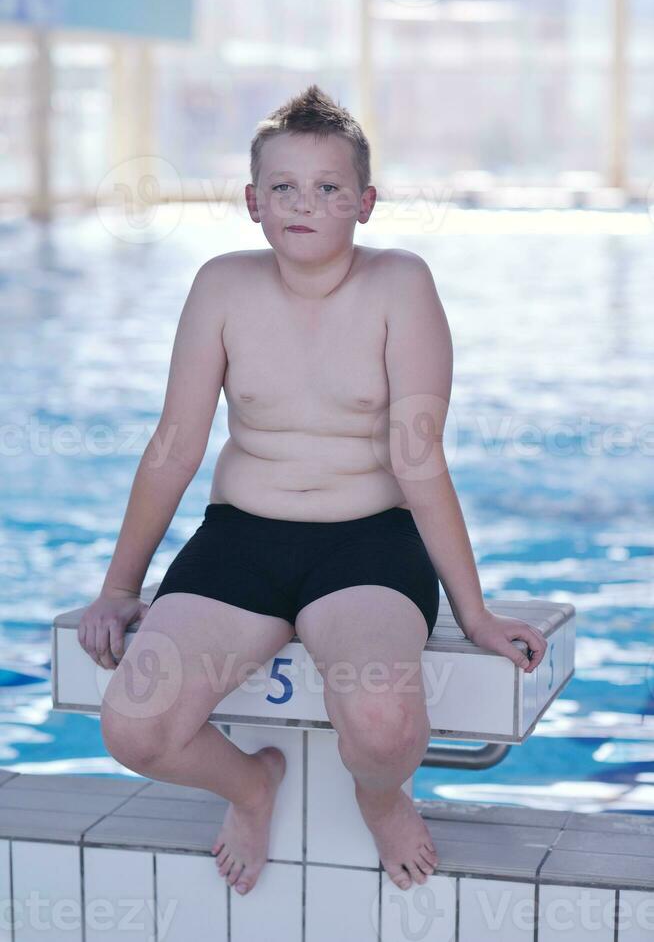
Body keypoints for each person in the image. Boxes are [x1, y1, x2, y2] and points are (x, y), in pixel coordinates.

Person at [78, 84, 547, 897]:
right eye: (284, 188)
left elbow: (420, 458)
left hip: (366, 544)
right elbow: (174, 447)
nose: (305, 204)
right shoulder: (222, 286)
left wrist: (474, 614)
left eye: (329, 188)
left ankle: (381, 798)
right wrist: (120, 587)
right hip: (240, 541)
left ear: (364, 203)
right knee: (135, 728)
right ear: (252, 201)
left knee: (384, 722)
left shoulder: (401, 285)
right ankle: (250, 785)